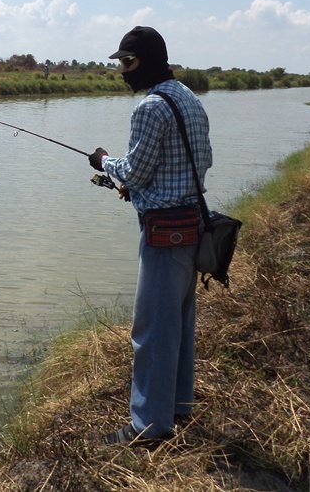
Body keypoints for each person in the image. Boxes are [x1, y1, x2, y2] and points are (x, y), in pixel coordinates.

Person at [88, 25, 212, 444]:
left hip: (164, 235)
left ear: (148, 61)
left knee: (151, 332)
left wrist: (104, 161)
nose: (123, 70)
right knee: (177, 324)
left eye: (128, 62)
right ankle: (177, 407)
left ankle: (148, 428)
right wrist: (146, 188)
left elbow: (134, 170)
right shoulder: (189, 98)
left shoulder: (150, 107)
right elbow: (201, 160)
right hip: (192, 227)